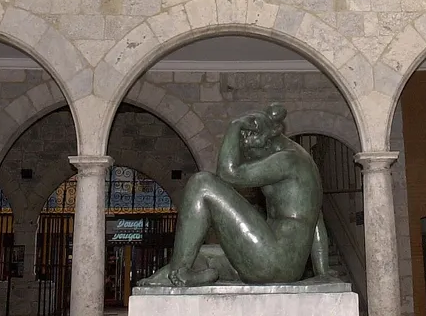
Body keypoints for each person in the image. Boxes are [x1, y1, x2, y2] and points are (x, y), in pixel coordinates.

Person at [140, 103, 331, 287]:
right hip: (283, 264)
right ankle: (176, 275)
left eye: (250, 148)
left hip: (273, 261)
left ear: (268, 139)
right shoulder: (304, 162)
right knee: (202, 254)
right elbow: (316, 218)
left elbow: (228, 173)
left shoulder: (288, 161)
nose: (248, 155)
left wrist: (234, 126)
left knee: (202, 184)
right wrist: (323, 272)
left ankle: (180, 271)